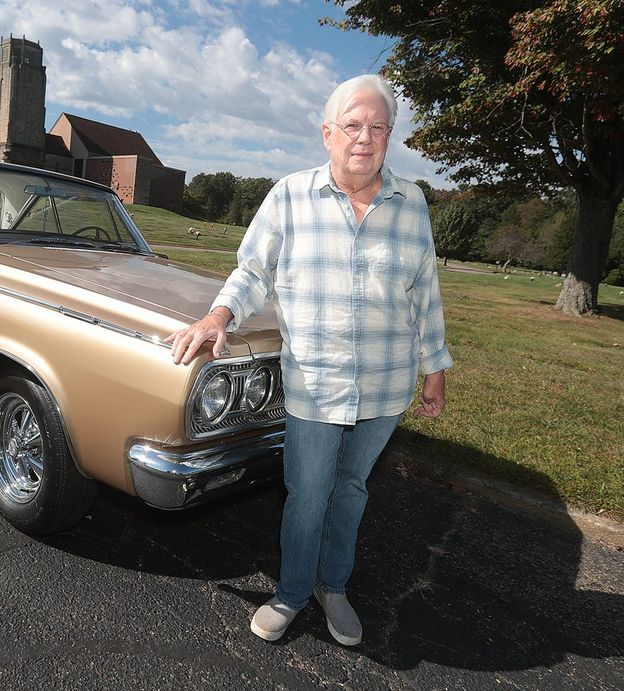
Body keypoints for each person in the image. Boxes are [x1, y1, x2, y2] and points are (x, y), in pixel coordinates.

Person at [166, 74, 452, 646]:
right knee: (307, 493)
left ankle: (334, 586)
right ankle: (293, 592)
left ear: (390, 136)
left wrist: (435, 368)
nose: (364, 138)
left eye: (377, 127)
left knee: (352, 490)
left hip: (386, 385)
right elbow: (252, 271)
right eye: (352, 126)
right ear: (328, 134)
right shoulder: (291, 195)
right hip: (316, 387)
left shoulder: (411, 202)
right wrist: (219, 316)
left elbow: (425, 289)